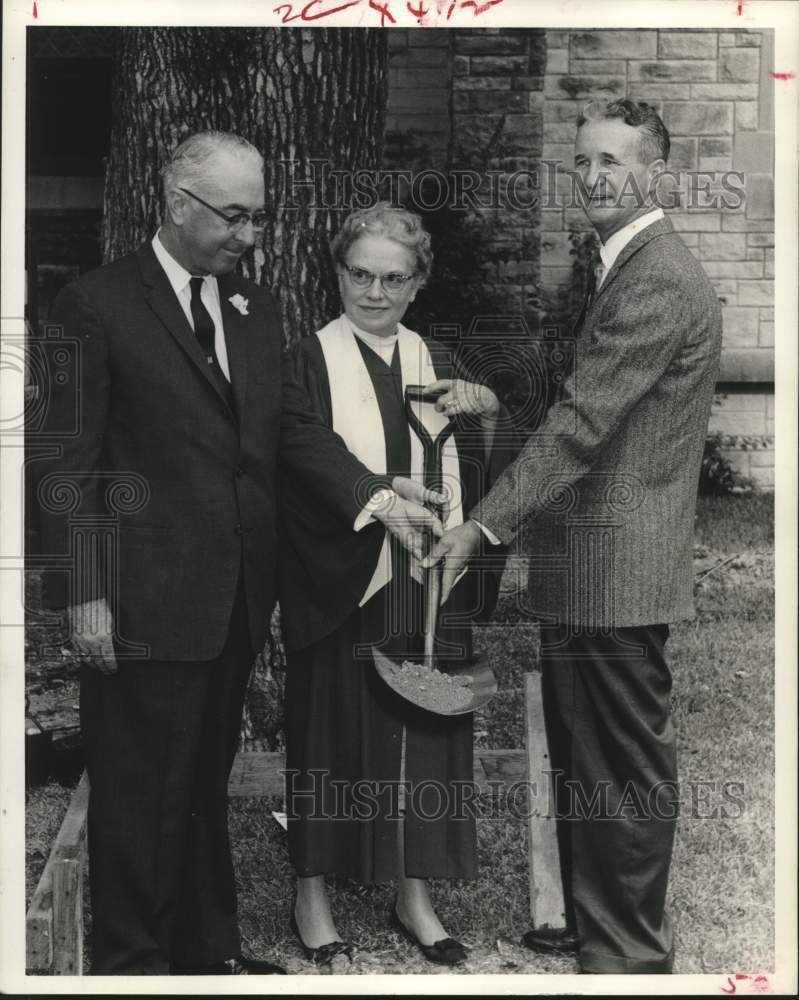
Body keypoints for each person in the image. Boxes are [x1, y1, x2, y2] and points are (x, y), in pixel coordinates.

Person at [32, 133, 440, 976]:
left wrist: (373, 491)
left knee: (199, 791)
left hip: (234, 601)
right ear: (177, 202)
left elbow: (289, 429)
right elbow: (63, 465)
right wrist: (84, 593)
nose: (251, 234)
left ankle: (203, 958)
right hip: (140, 602)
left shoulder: (254, 309)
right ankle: (132, 969)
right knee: (140, 796)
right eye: (234, 216)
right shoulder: (95, 304)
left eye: (258, 216)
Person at [424, 100, 722, 974]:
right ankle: (595, 921)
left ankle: (627, 954)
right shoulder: (618, 265)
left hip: (618, 568)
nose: (593, 177)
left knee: (620, 767)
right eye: (583, 161)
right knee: (587, 757)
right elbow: (576, 391)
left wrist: (481, 524)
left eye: (613, 163)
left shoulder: (658, 276)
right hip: (591, 562)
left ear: (655, 174)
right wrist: (491, 402)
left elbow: (583, 425)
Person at [277, 203, 515, 967]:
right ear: (337, 274)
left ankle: (414, 891)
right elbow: (298, 449)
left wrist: (486, 415)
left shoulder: (435, 360)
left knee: (427, 727)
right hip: (345, 573)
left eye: (392, 278)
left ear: (417, 284)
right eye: (359, 275)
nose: (373, 292)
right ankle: (310, 890)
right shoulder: (305, 359)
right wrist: (378, 501)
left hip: (426, 573)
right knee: (327, 729)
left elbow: (482, 474)